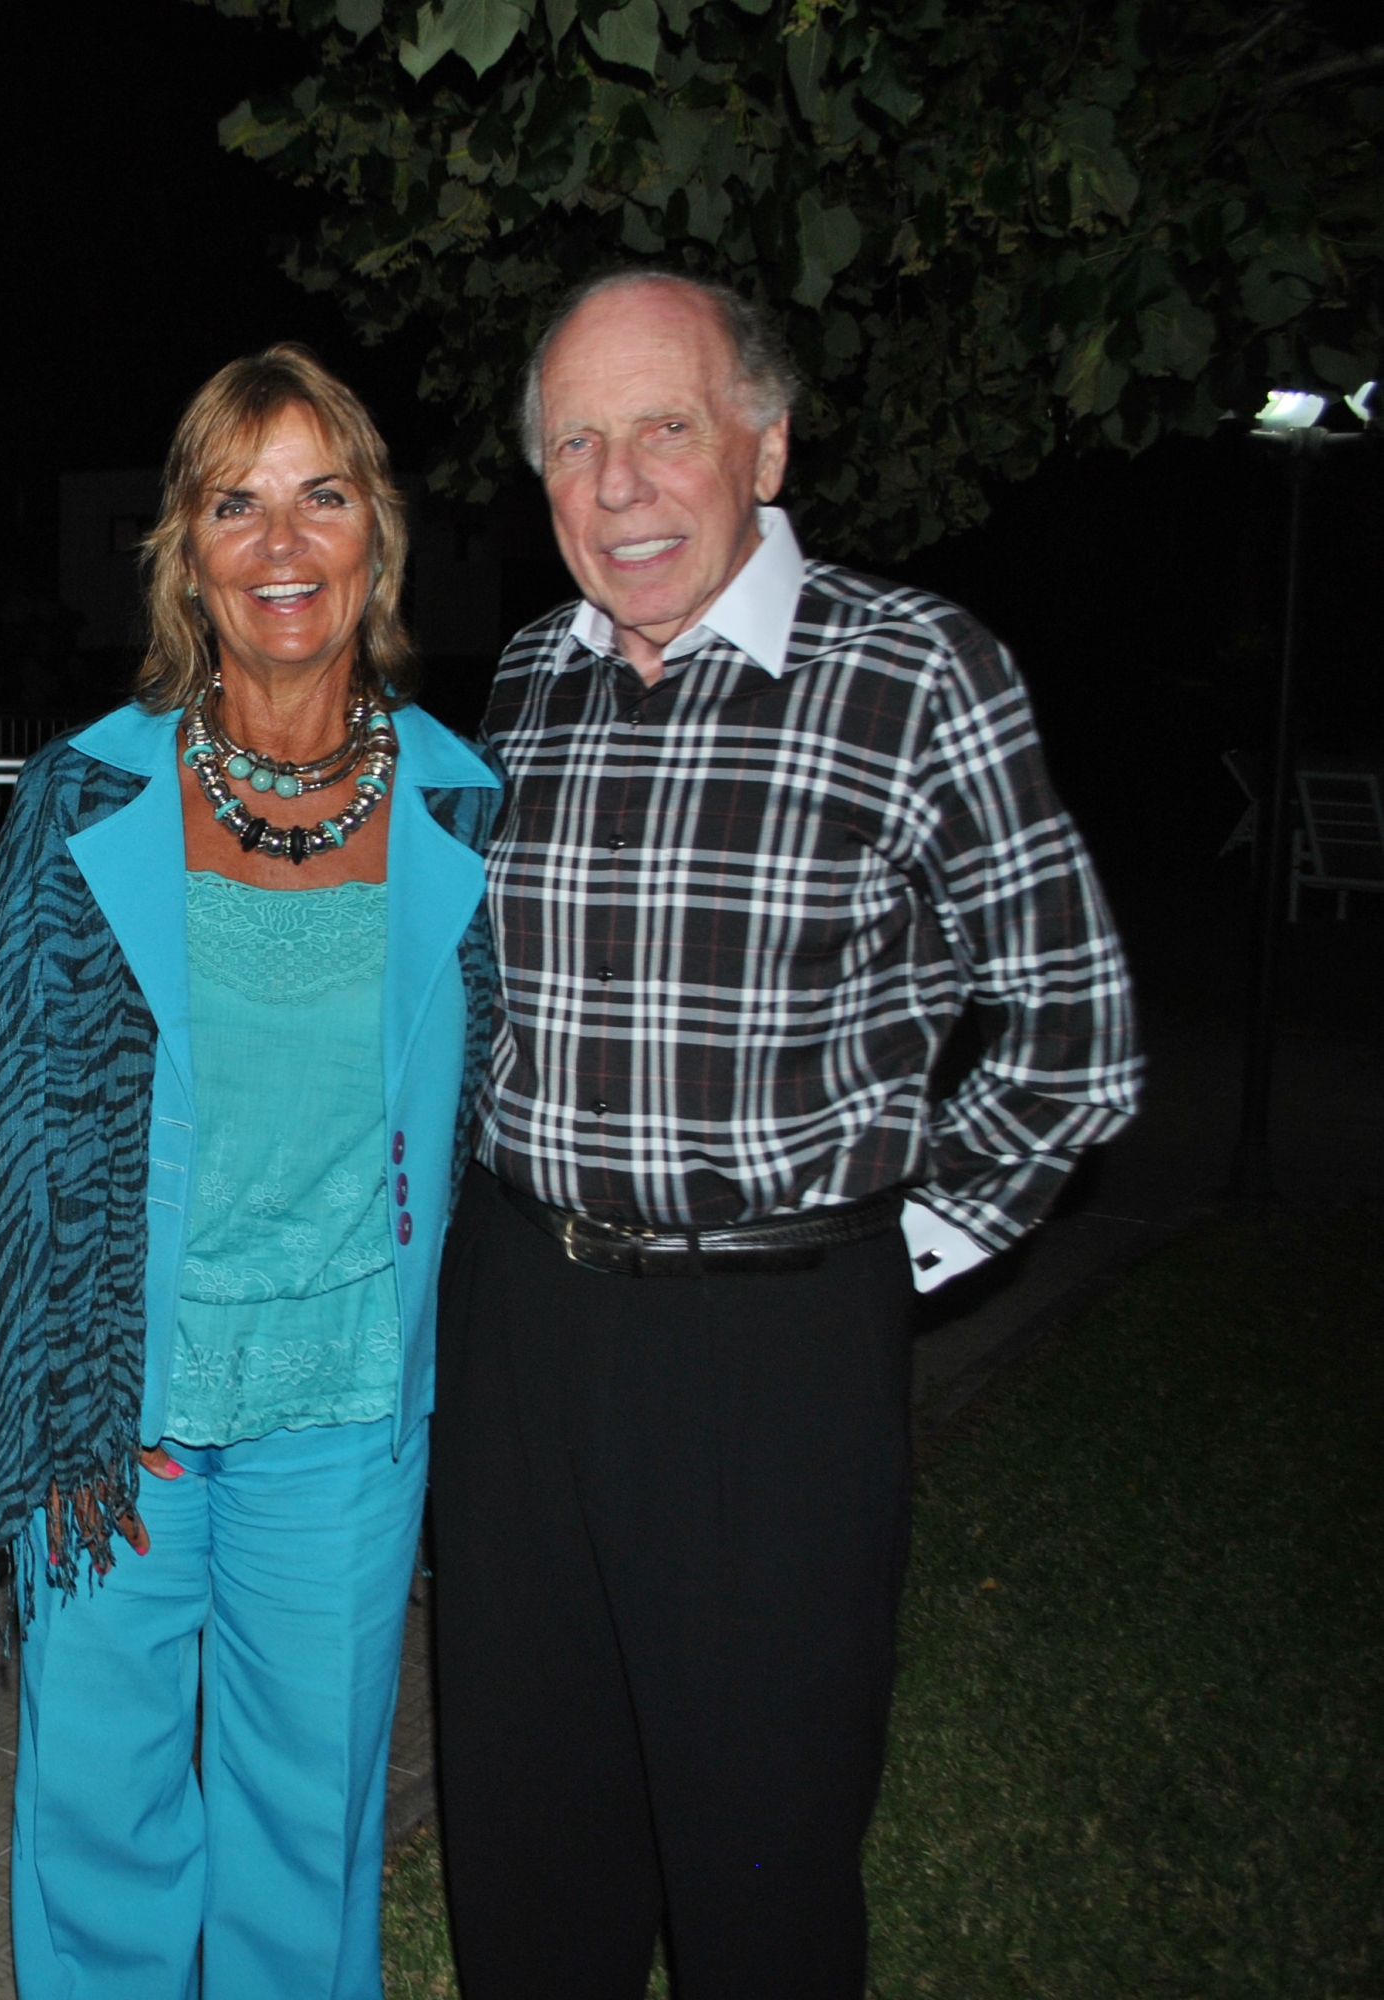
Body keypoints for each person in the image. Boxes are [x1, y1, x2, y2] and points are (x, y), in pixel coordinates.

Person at [433, 268, 1143, 1997]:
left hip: (772, 1350)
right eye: (575, 445)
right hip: (523, 1331)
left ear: (763, 438)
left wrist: (875, 1263)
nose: (615, 486)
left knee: (759, 1856)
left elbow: (1079, 1032)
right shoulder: (531, 676)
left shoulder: (918, 672)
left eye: (662, 429)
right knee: (528, 1843)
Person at [0, 344, 501, 1999]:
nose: (281, 539)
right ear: (185, 547)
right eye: (233, 500)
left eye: (321, 494)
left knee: (305, 1824)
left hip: (341, 1418)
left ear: (376, 538)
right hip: (115, 1416)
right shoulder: (87, 789)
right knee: (100, 1818)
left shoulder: (471, 804)